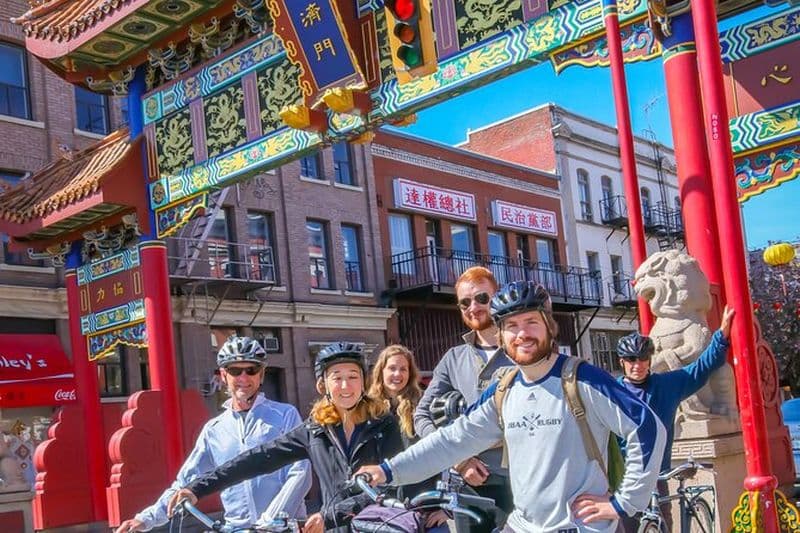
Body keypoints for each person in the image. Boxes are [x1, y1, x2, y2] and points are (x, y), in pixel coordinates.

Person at [358, 281, 667, 533]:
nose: (522, 334)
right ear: (501, 336)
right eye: (511, 326)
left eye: (531, 322)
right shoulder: (504, 390)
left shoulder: (581, 378)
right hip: (522, 525)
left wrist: (624, 503)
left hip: (576, 526)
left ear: (549, 326)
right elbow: (452, 441)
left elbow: (647, 427)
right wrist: (388, 471)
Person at [165, 342, 405, 533]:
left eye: (353, 376)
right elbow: (258, 458)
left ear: (363, 381)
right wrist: (197, 488)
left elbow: (394, 483)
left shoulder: (384, 425)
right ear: (323, 385)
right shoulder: (316, 430)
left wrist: (331, 516)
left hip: (379, 525)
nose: (345, 385)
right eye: (336, 377)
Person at [114, 336, 311, 532]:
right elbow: (186, 482)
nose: (243, 378)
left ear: (262, 374)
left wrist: (271, 519)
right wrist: (145, 519)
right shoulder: (214, 429)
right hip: (236, 528)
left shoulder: (285, 414)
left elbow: (300, 471)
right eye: (235, 371)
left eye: (251, 370)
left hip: (283, 527)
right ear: (224, 375)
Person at [413, 266, 515, 532]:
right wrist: (457, 459)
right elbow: (421, 415)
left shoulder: (522, 349)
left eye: (482, 298)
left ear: (497, 297)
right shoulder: (453, 358)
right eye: (465, 302)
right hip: (470, 487)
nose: (474, 307)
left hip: (524, 480)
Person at [616, 306, 734, 532]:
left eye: (642, 359)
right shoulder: (612, 392)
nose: (637, 365)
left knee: (662, 522)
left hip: (657, 475)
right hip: (624, 476)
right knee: (626, 526)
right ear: (622, 361)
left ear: (649, 360)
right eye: (631, 359)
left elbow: (700, 369)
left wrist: (721, 336)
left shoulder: (666, 385)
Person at [368, 344, 449, 532]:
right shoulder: (367, 410)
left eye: (403, 369)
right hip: (384, 513)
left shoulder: (424, 407)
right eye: (392, 368)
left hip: (426, 512)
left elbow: (448, 448)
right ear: (381, 371)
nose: (397, 374)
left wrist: (446, 509)